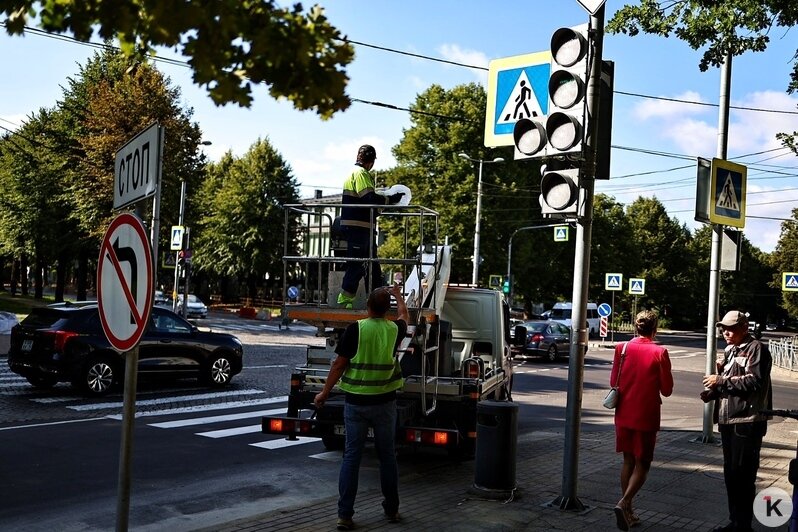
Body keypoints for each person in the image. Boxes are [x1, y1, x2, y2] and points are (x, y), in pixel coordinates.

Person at [314, 284, 409, 530]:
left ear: (367, 307)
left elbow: (338, 365)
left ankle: (344, 515)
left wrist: (324, 393)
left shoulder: (357, 329)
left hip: (355, 404)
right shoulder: (394, 330)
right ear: (386, 310)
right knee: (387, 457)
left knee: (351, 457)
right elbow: (404, 317)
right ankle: (392, 510)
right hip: (385, 403)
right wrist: (399, 296)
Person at [702, 310, 772, 532]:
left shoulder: (757, 349)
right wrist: (713, 391)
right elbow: (730, 385)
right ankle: (735, 522)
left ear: (745, 327)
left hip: (747, 420)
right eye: (723, 328)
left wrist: (720, 379)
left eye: (731, 328)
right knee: (731, 474)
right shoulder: (731, 349)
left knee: (743, 475)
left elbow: (754, 381)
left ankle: (743, 526)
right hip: (728, 419)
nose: (726, 332)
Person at [611, 310, 673, 531]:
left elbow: (613, 381)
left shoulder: (622, 348)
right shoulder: (660, 352)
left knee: (628, 461)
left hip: (624, 412)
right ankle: (624, 503)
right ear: (655, 329)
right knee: (643, 463)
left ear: (636, 327)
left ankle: (628, 511)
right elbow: (666, 390)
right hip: (646, 414)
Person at [337, 145, 404, 309]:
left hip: (363, 228)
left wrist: (379, 207)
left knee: (373, 265)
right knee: (357, 264)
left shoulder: (355, 174)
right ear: (372, 162)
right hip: (358, 228)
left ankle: (377, 300)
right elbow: (369, 198)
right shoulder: (361, 174)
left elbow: (365, 203)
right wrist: (390, 199)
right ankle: (344, 301)